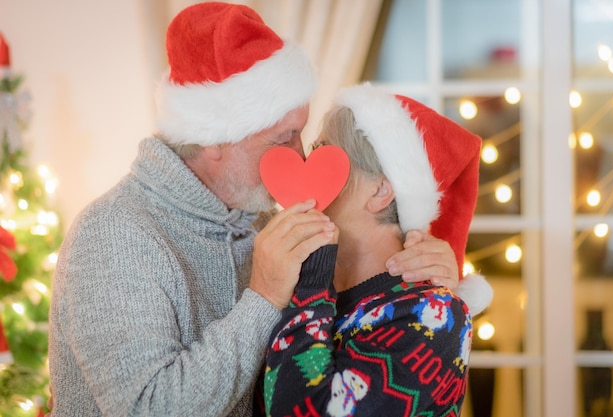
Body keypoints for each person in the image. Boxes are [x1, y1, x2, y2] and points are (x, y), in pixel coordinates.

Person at [47, 3, 463, 417]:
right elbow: (146, 408)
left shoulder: (267, 220)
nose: (300, 157)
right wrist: (263, 298)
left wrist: (431, 265)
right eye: (285, 138)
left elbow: (352, 324)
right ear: (214, 139)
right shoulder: (113, 235)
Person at [255, 83, 493, 416]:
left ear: (381, 190)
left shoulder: (435, 314)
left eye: (325, 151)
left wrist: (311, 278)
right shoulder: (293, 280)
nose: (307, 163)